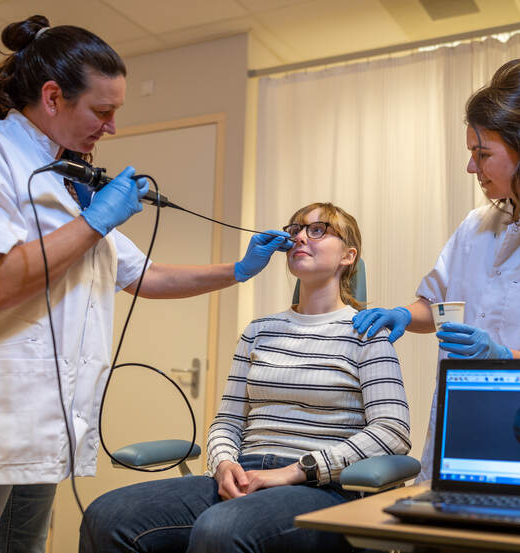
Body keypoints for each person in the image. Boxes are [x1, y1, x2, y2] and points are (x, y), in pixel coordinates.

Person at [0, 15, 291, 553]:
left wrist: (237, 271)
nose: (111, 128)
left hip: (42, 425)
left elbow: (144, 276)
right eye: (102, 111)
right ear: (53, 96)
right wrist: (95, 222)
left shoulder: (66, 182)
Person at [352, 58, 520, 481]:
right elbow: (442, 306)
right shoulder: (476, 225)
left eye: (482, 154)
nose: (471, 168)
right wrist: (406, 315)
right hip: (458, 426)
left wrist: (500, 358)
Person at [81, 202, 411, 553]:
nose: (300, 236)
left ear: (348, 255)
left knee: (222, 527)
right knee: (107, 515)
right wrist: (223, 464)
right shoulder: (260, 331)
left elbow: (392, 432)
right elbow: (227, 420)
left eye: (317, 230)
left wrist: (296, 471)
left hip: (320, 487)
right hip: (245, 473)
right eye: (295, 229)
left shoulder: (367, 333)